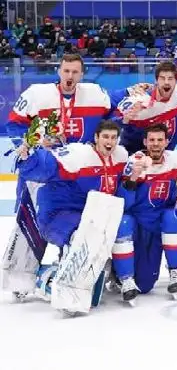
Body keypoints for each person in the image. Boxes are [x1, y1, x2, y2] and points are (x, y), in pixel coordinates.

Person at [15, 120, 130, 304]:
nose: (109, 141)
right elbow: (47, 165)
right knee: (82, 236)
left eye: (113, 137)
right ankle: (43, 279)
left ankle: (85, 273)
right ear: (96, 138)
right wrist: (28, 157)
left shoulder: (120, 156)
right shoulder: (78, 154)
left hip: (86, 216)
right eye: (105, 137)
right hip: (56, 215)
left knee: (101, 233)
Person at [117, 123, 177, 299]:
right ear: (145, 142)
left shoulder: (175, 161)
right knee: (124, 221)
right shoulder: (135, 161)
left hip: (160, 222)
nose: (156, 144)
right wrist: (133, 178)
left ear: (167, 142)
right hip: (139, 224)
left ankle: (176, 269)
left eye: (160, 140)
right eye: (152, 140)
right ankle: (123, 276)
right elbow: (124, 203)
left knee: (173, 215)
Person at [7, 53, 111, 145]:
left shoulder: (96, 93)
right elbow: (14, 124)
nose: (70, 76)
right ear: (59, 72)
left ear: (81, 75)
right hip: (48, 158)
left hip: (84, 158)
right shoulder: (35, 93)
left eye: (75, 72)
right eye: (66, 71)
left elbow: (112, 118)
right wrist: (36, 142)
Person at [112, 61, 177, 153]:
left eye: (170, 79)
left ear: (176, 81)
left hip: (166, 155)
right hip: (136, 155)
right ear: (156, 81)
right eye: (162, 78)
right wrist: (124, 119)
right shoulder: (138, 101)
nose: (166, 82)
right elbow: (111, 123)